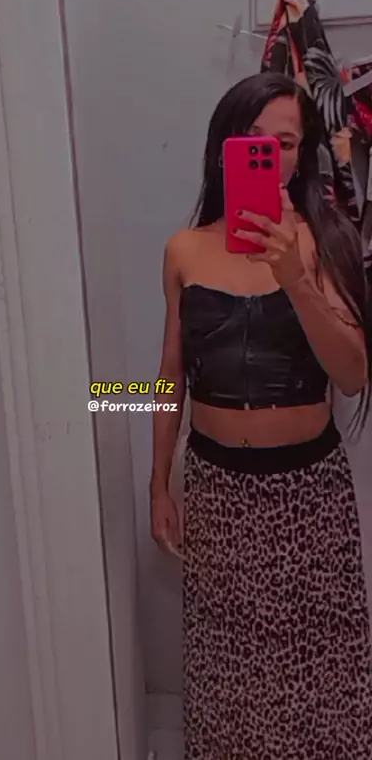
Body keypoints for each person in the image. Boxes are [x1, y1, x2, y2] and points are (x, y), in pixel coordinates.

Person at [149, 71, 372, 760]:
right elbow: (169, 378)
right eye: (253, 141)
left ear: (300, 157)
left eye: (284, 144)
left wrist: (295, 279)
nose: (268, 157)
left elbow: (353, 375)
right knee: (229, 669)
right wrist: (158, 484)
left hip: (307, 495)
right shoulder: (185, 250)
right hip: (216, 492)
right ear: (225, 150)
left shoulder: (326, 239)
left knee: (315, 667)